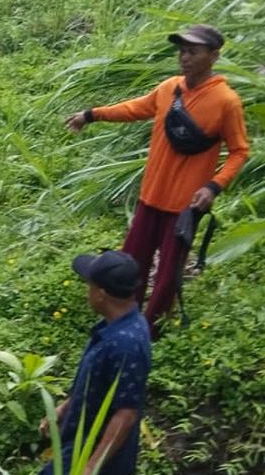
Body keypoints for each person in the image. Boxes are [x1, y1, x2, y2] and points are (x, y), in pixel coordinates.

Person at [65, 24, 250, 338]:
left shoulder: (225, 101)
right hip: (150, 197)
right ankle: (120, 321)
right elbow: (136, 108)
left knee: (167, 275)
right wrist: (92, 114)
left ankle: (149, 332)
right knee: (131, 262)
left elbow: (239, 151)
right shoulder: (169, 89)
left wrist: (213, 186)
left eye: (193, 51)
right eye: (182, 51)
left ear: (214, 55)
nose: (185, 57)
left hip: (184, 207)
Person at [18, 251, 152, 475]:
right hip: (76, 444)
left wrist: (90, 467)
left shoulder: (126, 343)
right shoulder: (115, 327)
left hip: (91, 457)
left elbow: (126, 412)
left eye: (89, 284)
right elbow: (101, 383)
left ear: (101, 294)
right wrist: (66, 406)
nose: (86, 290)